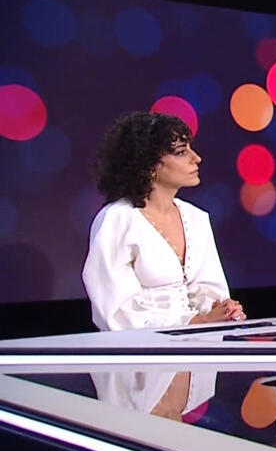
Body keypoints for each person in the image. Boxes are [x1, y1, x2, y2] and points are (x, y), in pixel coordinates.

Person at [82, 111, 244, 331]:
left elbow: (209, 292)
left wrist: (223, 311)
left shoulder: (196, 218)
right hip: (143, 349)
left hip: (201, 344)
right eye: (181, 152)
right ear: (150, 165)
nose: (196, 158)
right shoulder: (118, 220)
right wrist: (197, 322)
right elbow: (117, 313)